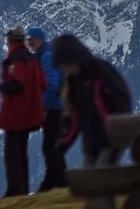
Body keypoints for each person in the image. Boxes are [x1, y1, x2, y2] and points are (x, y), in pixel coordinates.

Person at [51, 34, 133, 166]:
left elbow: (122, 99)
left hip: (112, 138)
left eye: (67, 65)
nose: (66, 70)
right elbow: (73, 117)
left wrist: (118, 130)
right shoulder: (72, 83)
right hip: (92, 142)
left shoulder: (101, 72)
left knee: (100, 176)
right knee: (87, 180)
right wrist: (63, 144)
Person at [0, 25, 45, 197]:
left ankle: (15, 189)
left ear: (11, 41)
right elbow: (42, 84)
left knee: (12, 153)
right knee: (21, 152)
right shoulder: (32, 59)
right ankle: (22, 188)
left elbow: (17, 83)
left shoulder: (16, 59)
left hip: (16, 113)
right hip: (29, 113)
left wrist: (3, 86)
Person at [26, 27, 67, 192]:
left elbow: (51, 83)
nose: (29, 42)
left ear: (39, 39)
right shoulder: (45, 54)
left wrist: (44, 107)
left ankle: (53, 183)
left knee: (50, 146)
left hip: (54, 108)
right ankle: (60, 181)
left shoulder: (46, 56)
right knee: (52, 145)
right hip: (57, 106)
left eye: (32, 39)